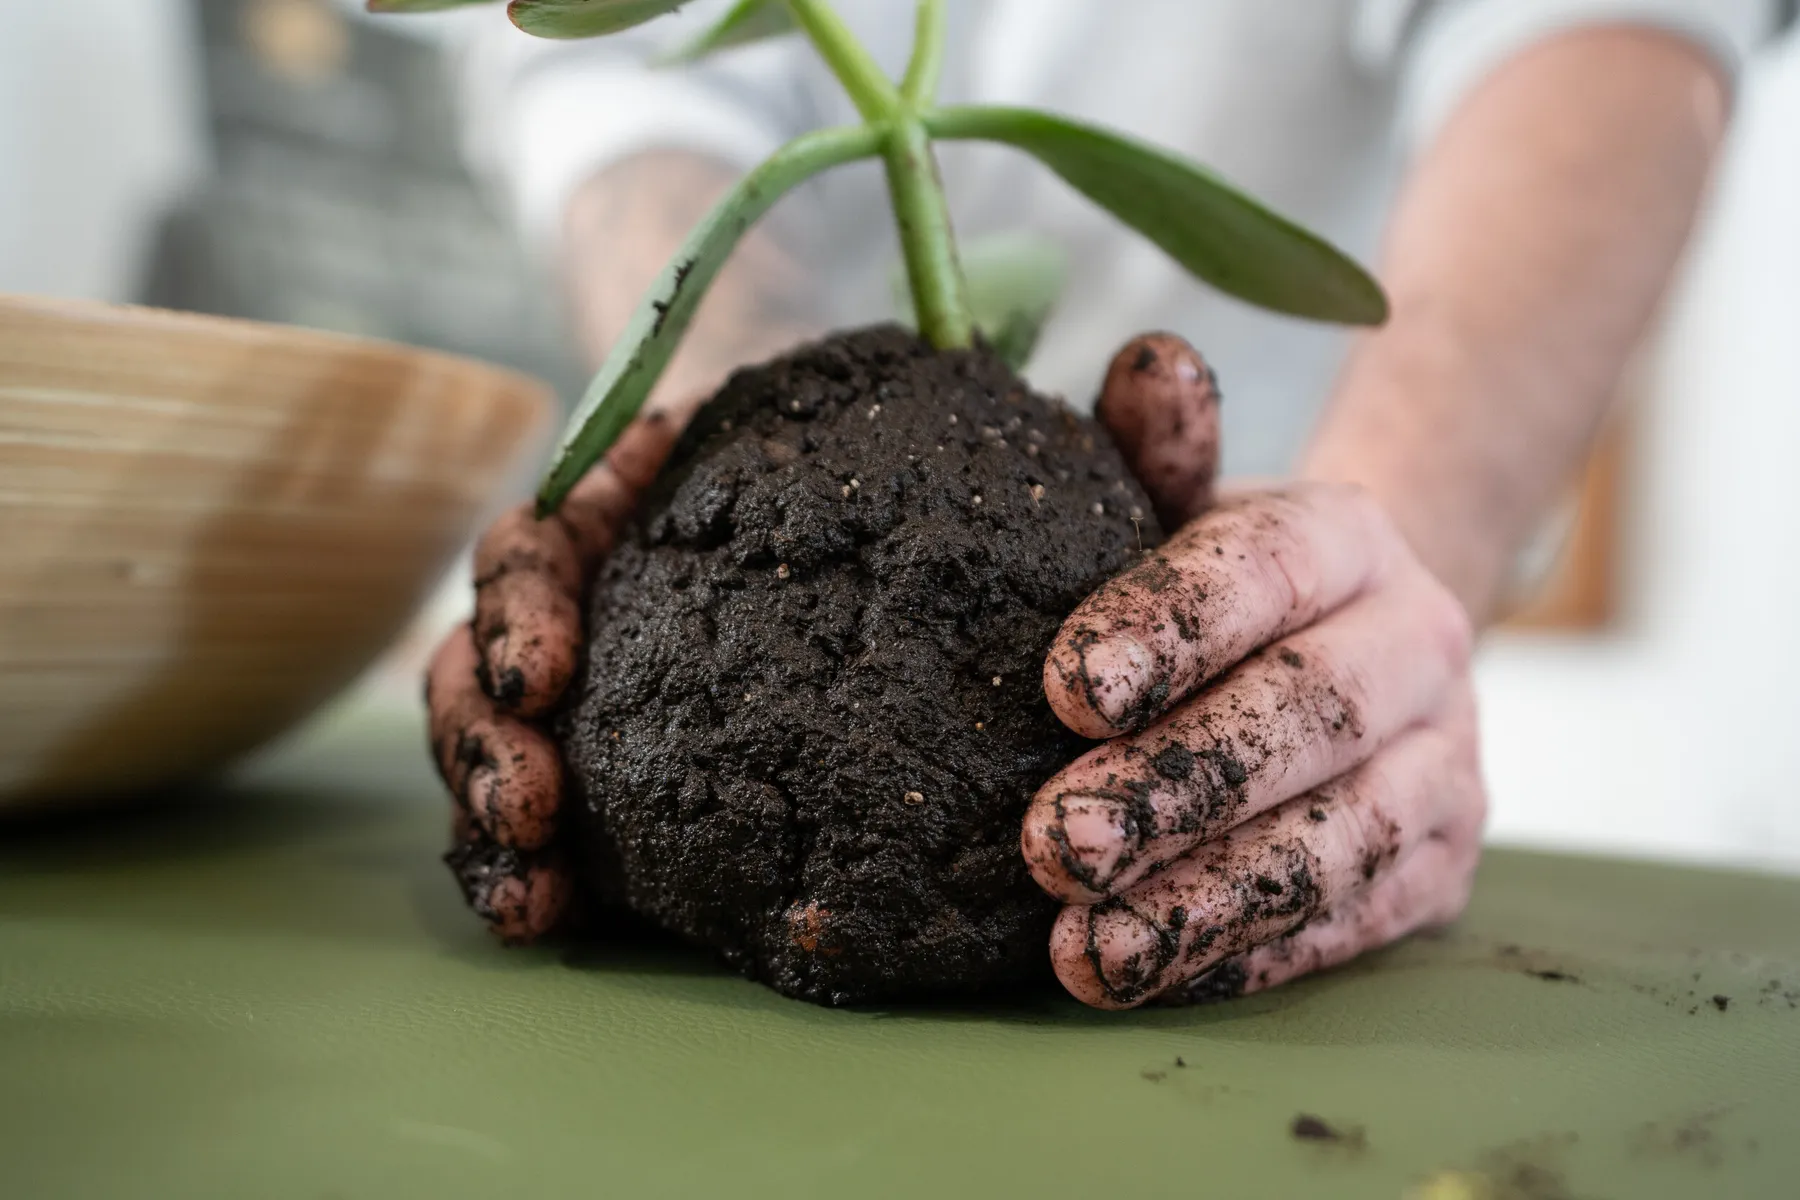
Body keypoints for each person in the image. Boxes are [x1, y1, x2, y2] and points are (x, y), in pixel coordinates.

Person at [423, 0, 1788, 1008]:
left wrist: (1371, 562)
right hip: (813, 422)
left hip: (1234, 510)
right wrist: (731, 450)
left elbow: (1614, 31)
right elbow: (610, 66)